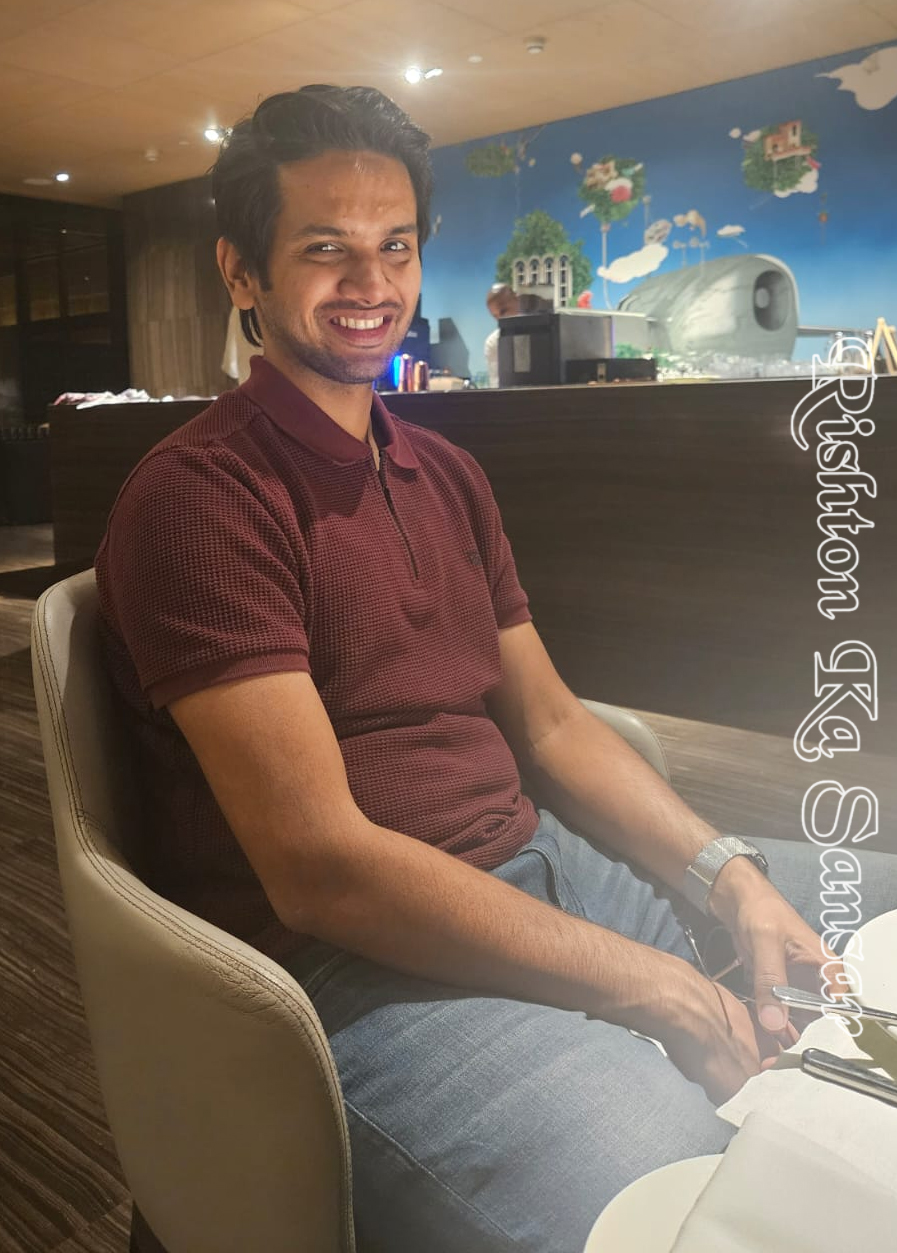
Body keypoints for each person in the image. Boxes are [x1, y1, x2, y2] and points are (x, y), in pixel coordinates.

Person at [94, 86, 897, 1253]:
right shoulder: (201, 498)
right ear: (241, 271)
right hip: (365, 969)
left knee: (867, 907)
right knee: (690, 1201)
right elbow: (324, 870)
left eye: (396, 246)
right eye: (325, 249)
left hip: (553, 867)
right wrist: (653, 980)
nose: (370, 282)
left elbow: (556, 724)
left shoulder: (446, 473)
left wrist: (726, 872)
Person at [485, 282, 520, 387]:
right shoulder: (493, 342)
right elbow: (497, 383)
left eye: (504, 311)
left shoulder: (548, 328)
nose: (501, 319)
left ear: (517, 299)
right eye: (495, 316)